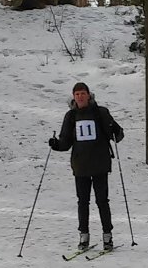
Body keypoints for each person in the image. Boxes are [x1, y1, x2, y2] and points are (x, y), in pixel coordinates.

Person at [49, 81, 124, 251]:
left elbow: (118, 136)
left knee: (102, 201)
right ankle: (84, 236)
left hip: (100, 164)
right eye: (77, 94)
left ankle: (107, 236)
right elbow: (66, 142)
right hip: (80, 166)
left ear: (89, 95)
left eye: (83, 93)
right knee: (82, 202)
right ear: (73, 97)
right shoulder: (71, 116)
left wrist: (115, 130)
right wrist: (56, 144)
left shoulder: (101, 112)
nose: (80, 97)